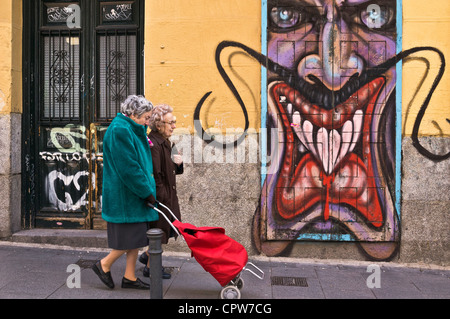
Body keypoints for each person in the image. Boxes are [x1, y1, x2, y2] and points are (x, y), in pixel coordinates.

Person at [92, 95, 157, 290]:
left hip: (132, 196)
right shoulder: (121, 130)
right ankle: (104, 264)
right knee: (128, 239)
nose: (148, 122)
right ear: (132, 114)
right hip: (125, 197)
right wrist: (146, 192)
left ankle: (129, 277)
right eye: (146, 117)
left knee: (135, 238)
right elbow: (129, 168)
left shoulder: (131, 128)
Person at [139, 104, 183, 279]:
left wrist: (178, 164)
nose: (173, 126)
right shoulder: (154, 145)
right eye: (170, 122)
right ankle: (151, 268)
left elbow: (170, 169)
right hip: (161, 197)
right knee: (160, 231)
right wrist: (161, 199)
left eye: (174, 122)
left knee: (164, 230)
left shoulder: (165, 142)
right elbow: (155, 175)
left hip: (167, 195)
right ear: (158, 124)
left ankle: (147, 256)